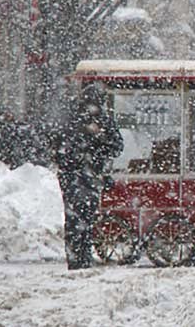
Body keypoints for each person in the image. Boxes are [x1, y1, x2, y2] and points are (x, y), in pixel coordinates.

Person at [53, 84, 123, 270]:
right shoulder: (74, 121)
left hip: (88, 176)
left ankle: (80, 254)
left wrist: (99, 137)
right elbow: (61, 145)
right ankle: (78, 256)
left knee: (84, 217)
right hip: (77, 175)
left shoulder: (101, 121)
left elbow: (116, 145)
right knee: (78, 217)